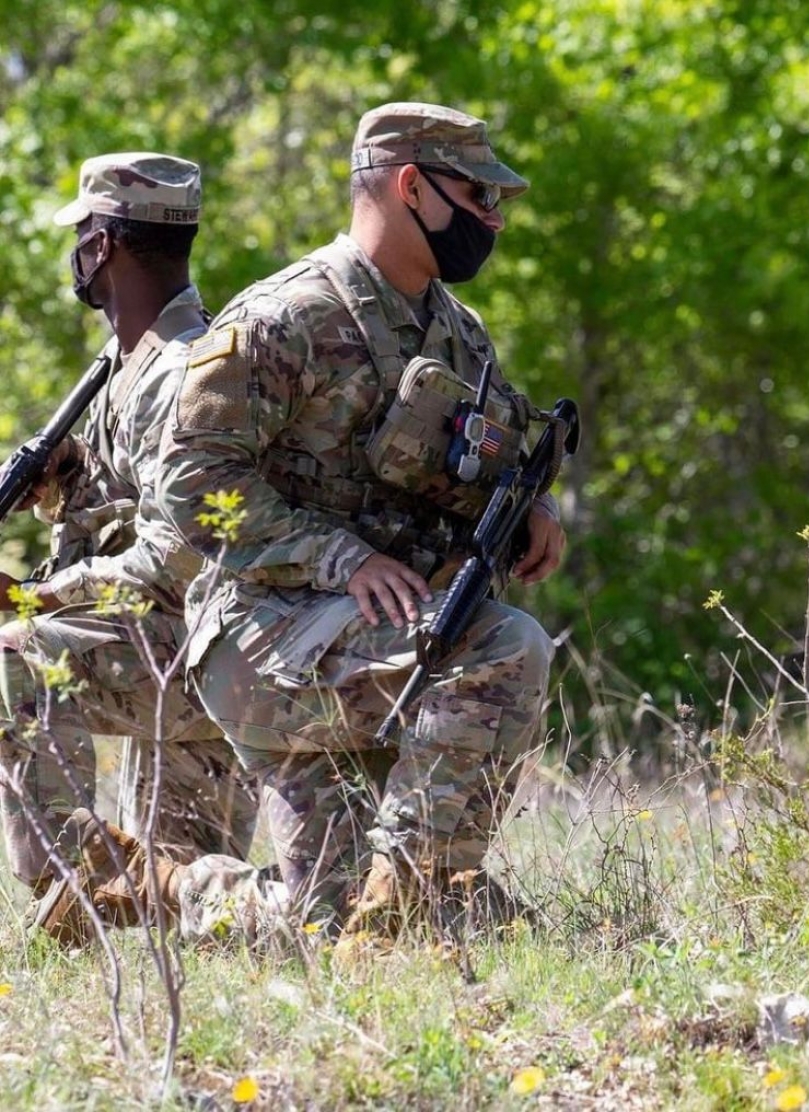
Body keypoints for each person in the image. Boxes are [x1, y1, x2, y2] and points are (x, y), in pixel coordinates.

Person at [35, 103, 564, 947]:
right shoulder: (288, 318)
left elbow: (469, 463)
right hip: (263, 641)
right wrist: (339, 557)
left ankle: (166, 884)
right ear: (410, 186)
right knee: (510, 647)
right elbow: (192, 479)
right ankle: (419, 897)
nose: (493, 219)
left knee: (317, 919)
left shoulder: (460, 337)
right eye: (478, 195)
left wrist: (534, 509)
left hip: (364, 644)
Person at [0, 153, 257, 924]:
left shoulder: (180, 371)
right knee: (170, 901)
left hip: (198, 647)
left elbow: (177, 554)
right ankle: (116, 883)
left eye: (82, 233)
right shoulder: (132, 361)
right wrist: (71, 487)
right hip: (186, 648)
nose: (76, 251)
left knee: (14, 657)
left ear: (103, 245)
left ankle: (80, 862)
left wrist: (35, 595)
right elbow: (140, 508)